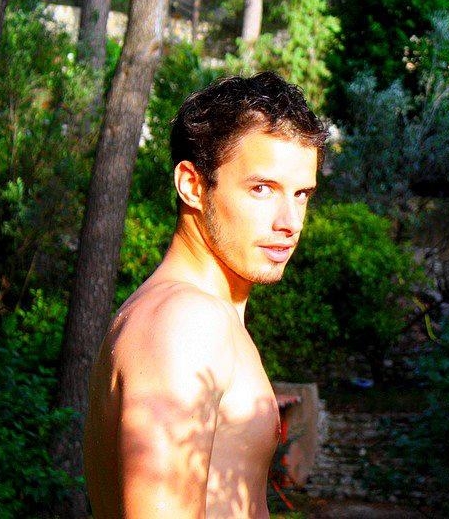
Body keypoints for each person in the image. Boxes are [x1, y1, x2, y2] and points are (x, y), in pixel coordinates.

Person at [82, 72, 328, 518]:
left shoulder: (198, 315)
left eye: (301, 194)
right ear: (192, 185)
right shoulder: (184, 322)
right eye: (262, 189)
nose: (290, 221)